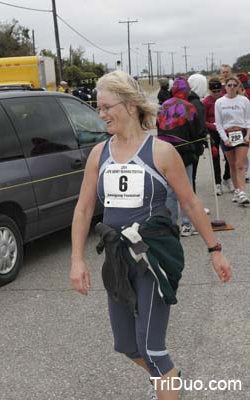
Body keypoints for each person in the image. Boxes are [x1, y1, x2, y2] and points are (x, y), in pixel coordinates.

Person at [70, 70, 232, 400]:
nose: (101, 115)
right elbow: (84, 210)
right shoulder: (99, 154)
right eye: (97, 108)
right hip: (117, 259)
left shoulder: (161, 152)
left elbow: (190, 203)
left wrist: (215, 250)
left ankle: (165, 384)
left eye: (105, 107)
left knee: (151, 347)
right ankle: (170, 378)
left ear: (130, 105)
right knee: (128, 346)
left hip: (152, 257)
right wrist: (76, 259)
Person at [157, 77, 201, 236]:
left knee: (169, 190)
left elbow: (159, 128)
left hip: (165, 152)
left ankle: (171, 224)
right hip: (185, 152)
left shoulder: (163, 106)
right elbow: (195, 132)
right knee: (186, 189)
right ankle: (187, 224)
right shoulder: (189, 107)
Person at [215, 75, 250, 204]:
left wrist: (247, 135)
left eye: (235, 85)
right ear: (225, 86)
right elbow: (218, 123)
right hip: (227, 135)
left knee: (240, 164)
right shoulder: (219, 102)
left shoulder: (244, 101)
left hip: (241, 134)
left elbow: (248, 120)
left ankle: (242, 192)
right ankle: (236, 190)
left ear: (239, 87)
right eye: (229, 85)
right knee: (232, 165)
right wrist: (224, 139)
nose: (232, 87)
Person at [203, 77, 233, 195]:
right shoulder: (206, 102)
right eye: (214, 92)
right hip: (213, 131)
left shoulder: (225, 99)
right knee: (215, 158)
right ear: (210, 91)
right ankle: (217, 183)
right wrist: (213, 126)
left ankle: (227, 177)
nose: (216, 94)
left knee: (229, 157)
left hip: (225, 131)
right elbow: (202, 120)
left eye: (218, 91)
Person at [187, 73, 208, 192]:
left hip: (184, 142)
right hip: (193, 145)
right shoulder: (196, 103)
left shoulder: (185, 100)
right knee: (191, 176)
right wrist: (206, 140)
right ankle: (192, 206)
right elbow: (200, 126)